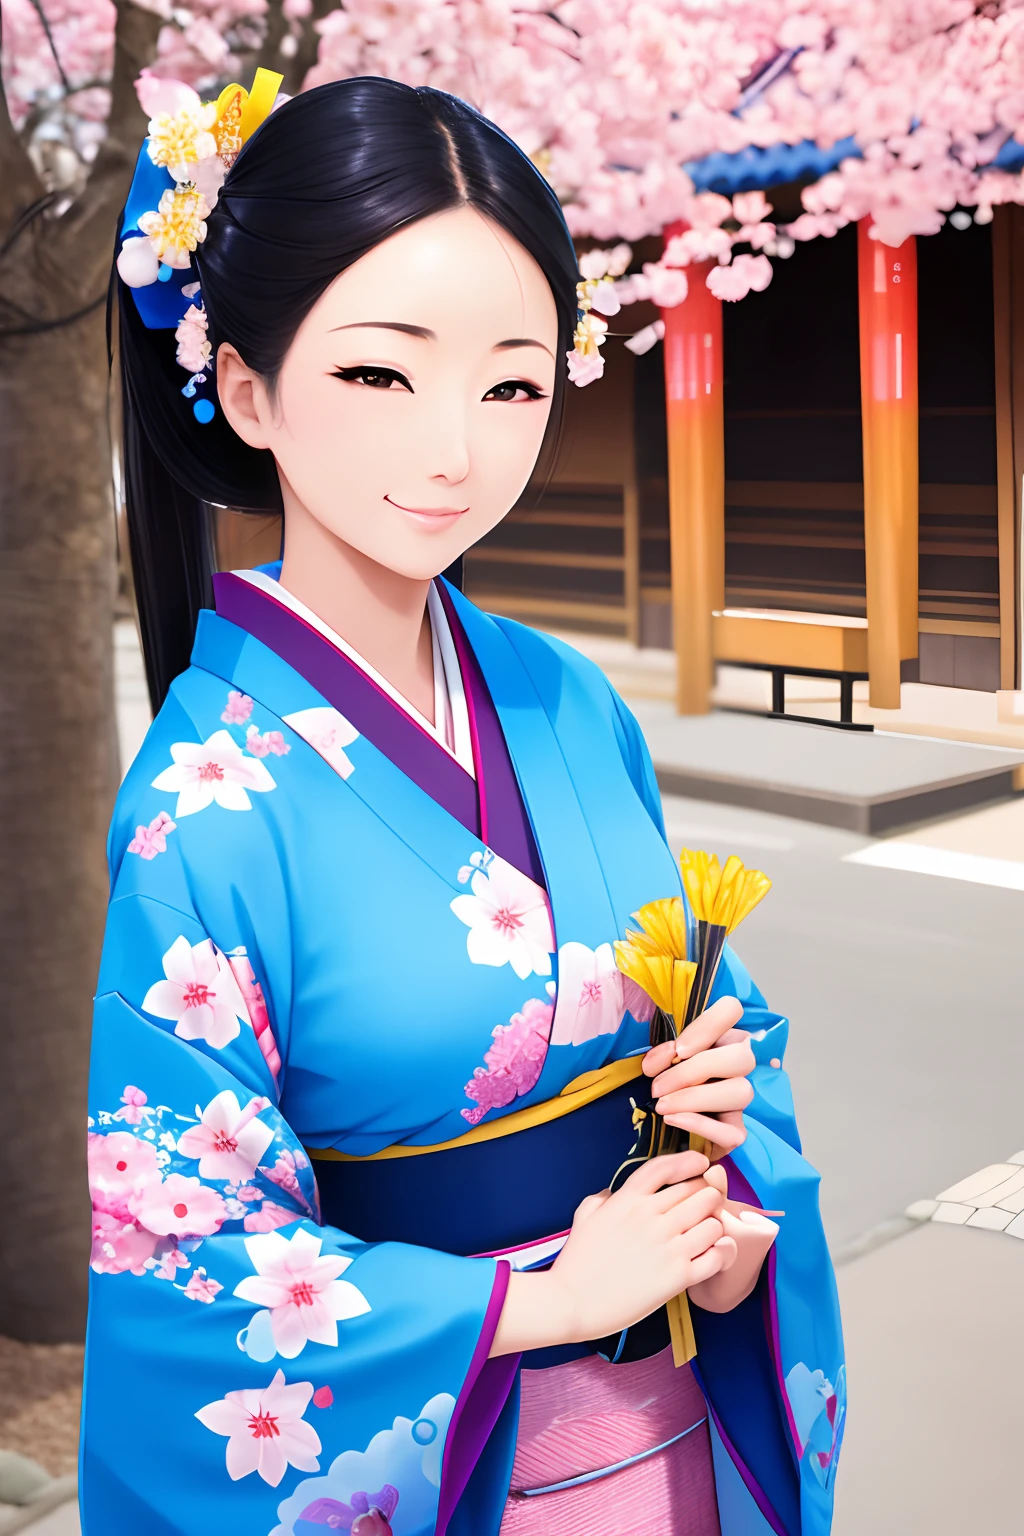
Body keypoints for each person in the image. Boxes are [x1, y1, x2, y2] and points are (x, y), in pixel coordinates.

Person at [83, 71, 844, 1536]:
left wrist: (720, 1159)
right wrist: (539, 1294)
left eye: (512, 380)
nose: (459, 446)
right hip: (459, 1469)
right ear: (246, 385)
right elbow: (185, 1261)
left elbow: (716, 1015)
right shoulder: (204, 809)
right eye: (383, 373)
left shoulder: (566, 698)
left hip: (680, 1418)